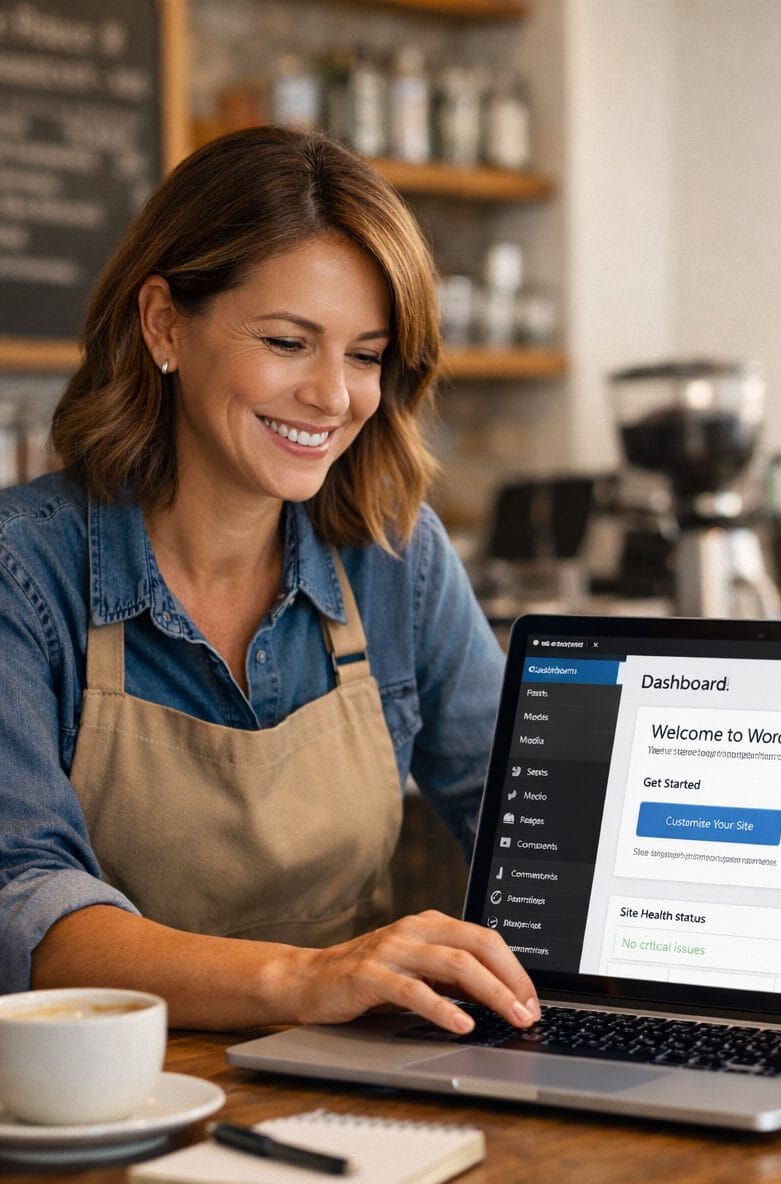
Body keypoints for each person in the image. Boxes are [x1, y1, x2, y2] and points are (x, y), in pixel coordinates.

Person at [0, 126, 540, 1036]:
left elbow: (521, 814)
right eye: (290, 342)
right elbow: (26, 905)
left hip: (344, 1074)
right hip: (96, 1096)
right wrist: (306, 979)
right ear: (165, 323)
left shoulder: (395, 559)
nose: (333, 397)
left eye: (365, 355)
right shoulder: (24, 573)